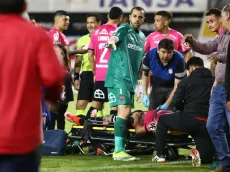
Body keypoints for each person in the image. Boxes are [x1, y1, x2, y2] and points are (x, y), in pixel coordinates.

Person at [0, 0, 64, 171]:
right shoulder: (36, 36)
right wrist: (53, 97)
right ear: (25, 7)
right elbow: (53, 79)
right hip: (21, 139)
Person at [183, 10, 230, 171]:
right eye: (207, 21)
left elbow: (223, 55)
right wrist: (193, 42)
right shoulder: (222, 36)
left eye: (212, 21)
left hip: (228, 87)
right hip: (219, 88)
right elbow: (207, 47)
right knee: (213, 126)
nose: (209, 24)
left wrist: (220, 57)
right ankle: (225, 161)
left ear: (224, 18)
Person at [152, 56, 214, 165]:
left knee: (162, 119)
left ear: (190, 68)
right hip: (206, 121)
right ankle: (201, 155)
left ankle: (160, 154)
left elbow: (176, 102)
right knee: (206, 159)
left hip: (188, 118)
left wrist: (183, 110)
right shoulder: (213, 80)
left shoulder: (186, 81)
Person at [104, 6, 145, 161]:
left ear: (143, 19)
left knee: (124, 113)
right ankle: (118, 151)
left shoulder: (142, 36)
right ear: (130, 17)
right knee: (125, 112)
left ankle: (120, 148)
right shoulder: (124, 28)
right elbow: (114, 37)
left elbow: (139, 61)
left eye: (140, 17)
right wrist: (111, 41)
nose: (137, 19)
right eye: (134, 16)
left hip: (131, 80)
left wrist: (139, 82)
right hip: (118, 77)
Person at [87, 7, 123, 118]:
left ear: (108, 16)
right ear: (120, 18)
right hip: (114, 75)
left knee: (96, 104)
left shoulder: (96, 32)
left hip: (100, 75)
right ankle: (112, 132)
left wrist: (95, 71)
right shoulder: (119, 32)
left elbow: (89, 55)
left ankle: (87, 128)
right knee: (115, 104)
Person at [142, 38, 186, 110]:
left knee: (169, 115)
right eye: (163, 52)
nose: (166, 55)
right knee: (152, 114)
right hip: (156, 87)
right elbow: (145, 74)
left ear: (173, 52)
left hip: (172, 88)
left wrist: (166, 104)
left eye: (169, 52)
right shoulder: (150, 55)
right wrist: (145, 93)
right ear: (158, 50)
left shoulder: (180, 60)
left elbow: (177, 86)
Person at [74, 13, 101, 116]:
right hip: (87, 74)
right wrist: (76, 77)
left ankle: (96, 128)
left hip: (100, 74)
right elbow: (78, 60)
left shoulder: (104, 38)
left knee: (98, 103)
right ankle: (78, 128)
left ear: (99, 23)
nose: (90, 25)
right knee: (80, 103)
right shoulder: (82, 40)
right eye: (88, 23)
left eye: (92, 22)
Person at [47, 44, 73, 130]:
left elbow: (68, 86)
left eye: (62, 53)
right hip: (52, 99)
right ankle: (49, 141)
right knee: (51, 120)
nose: (59, 55)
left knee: (61, 119)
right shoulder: (48, 66)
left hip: (63, 98)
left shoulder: (66, 68)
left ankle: (60, 140)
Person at [205, 8, 224, 75]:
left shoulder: (227, 35)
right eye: (208, 22)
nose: (209, 25)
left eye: (212, 21)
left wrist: (218, 57)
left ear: (221, 19)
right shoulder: (217, 37)